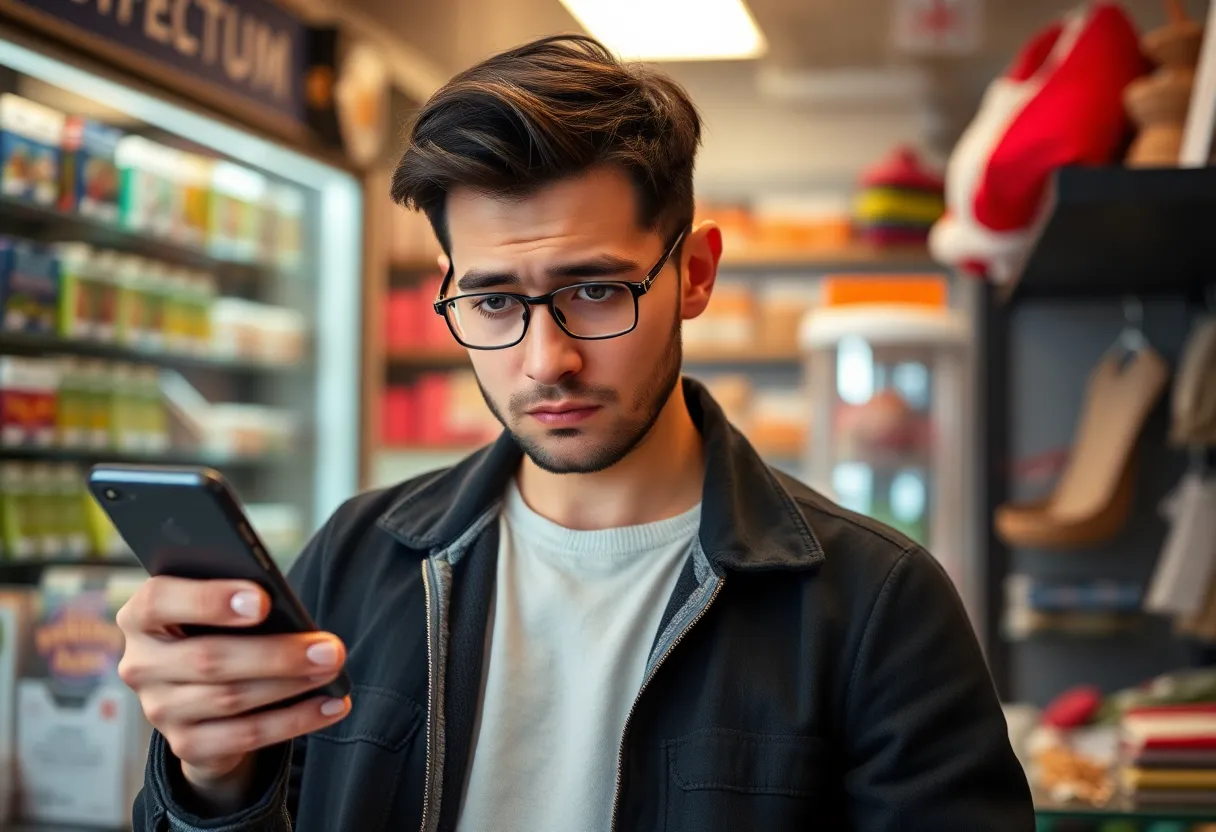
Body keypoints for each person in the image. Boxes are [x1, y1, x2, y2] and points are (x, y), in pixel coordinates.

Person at [118, 34, 1034, 832]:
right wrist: (212, 773)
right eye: (491, 300)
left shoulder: (877, 605)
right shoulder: (357, 560)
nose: (545, 359)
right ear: (450, 288)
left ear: (696, 273)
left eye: (596, 290)